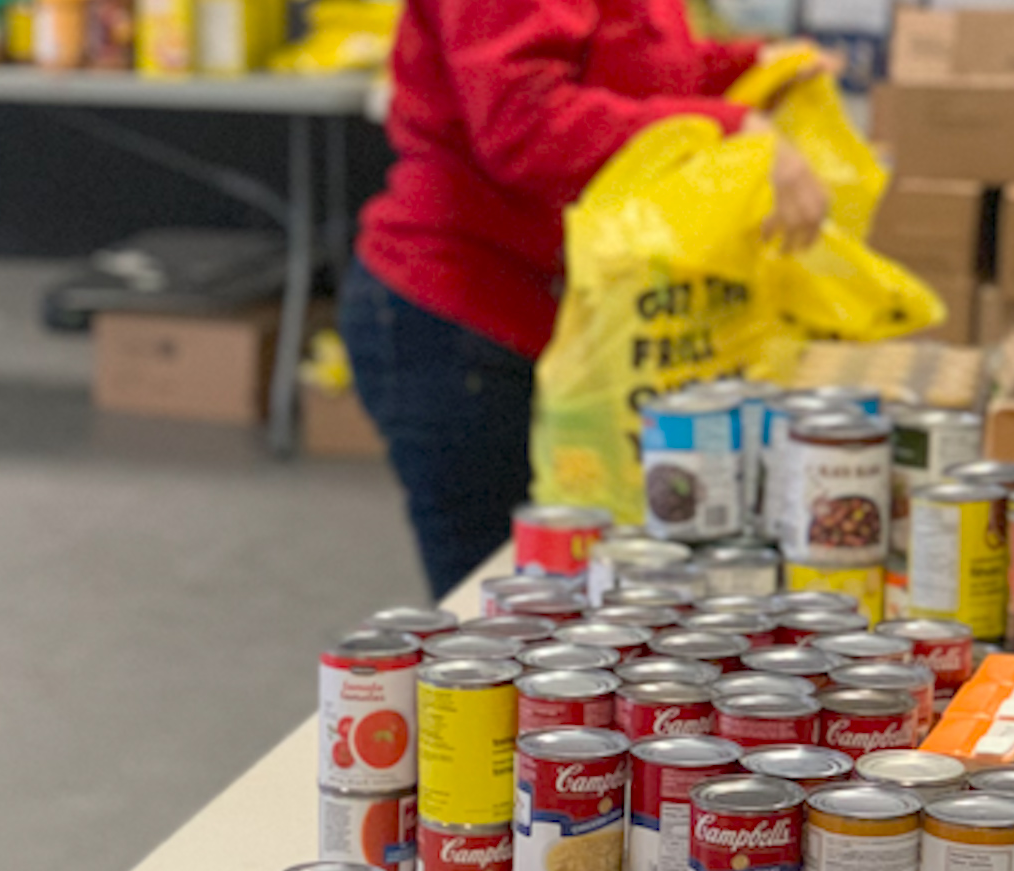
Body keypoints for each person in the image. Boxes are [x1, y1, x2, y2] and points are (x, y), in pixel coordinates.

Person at [339, 0, 835, 599]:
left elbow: (629, 67)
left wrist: (746, 67)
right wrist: (729, 128)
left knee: (578, 593)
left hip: (551, 313)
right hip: (464, 313)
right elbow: (524, 123)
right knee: (508, 607)